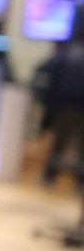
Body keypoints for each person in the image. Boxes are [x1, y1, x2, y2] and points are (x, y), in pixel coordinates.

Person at [41, 13, 84, 186]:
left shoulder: (65, 54)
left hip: (65, 107)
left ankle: (49, 177)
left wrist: (49, 110)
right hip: (76, 106)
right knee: (81, 148)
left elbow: (52, 80)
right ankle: (80, 183)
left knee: (59, 143)